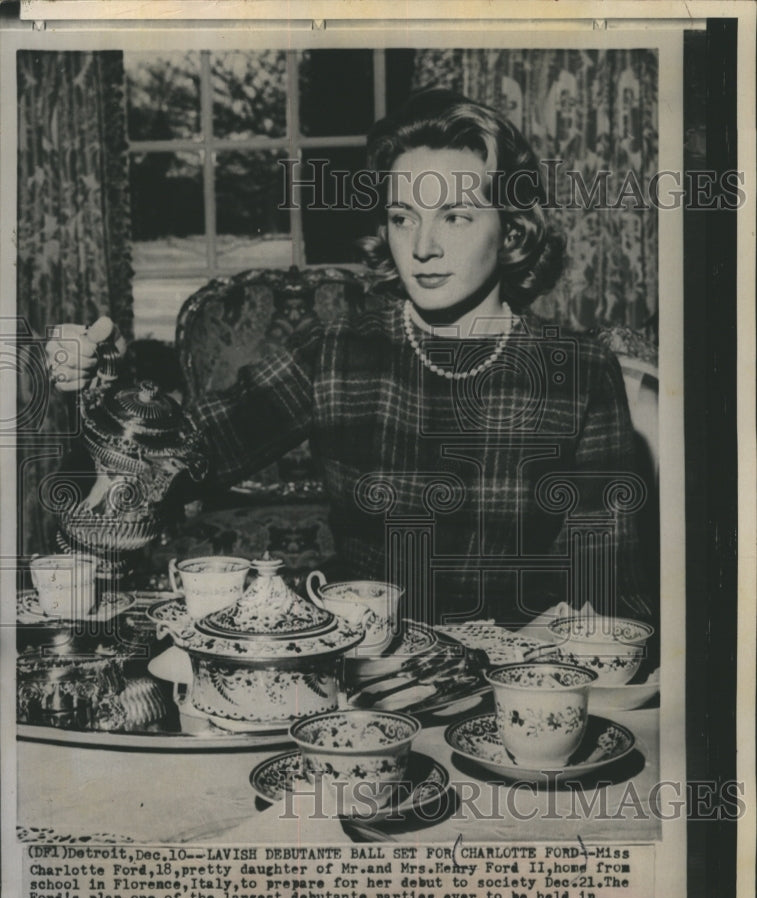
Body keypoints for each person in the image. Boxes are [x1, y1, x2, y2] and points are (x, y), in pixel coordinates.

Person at [47, 88, 652, 626]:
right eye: (402, 217)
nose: (423, 247)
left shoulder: (577, 371)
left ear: (513, 230)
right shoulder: (337, 353)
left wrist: (568, 631)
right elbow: (179, 458)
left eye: (456, 217)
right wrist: (104, 390)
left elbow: (608, 584)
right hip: (362, 671)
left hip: (514, 683)